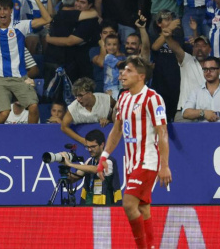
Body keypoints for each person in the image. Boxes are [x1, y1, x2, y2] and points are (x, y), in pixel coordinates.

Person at [103, 56, 171, 248]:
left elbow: (163, 132)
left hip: (148, 160)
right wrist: (104, 156)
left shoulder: (153, 99)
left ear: (141, 76)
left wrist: (164, 165)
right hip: (130, 162)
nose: (122, 74)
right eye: (122, 70)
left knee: (128, 204)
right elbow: (116, 130)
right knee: (143, 208)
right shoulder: (123, 98)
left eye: (128, 70)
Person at [58, 129, 122, 206]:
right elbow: (73, 178)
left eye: (93, 147)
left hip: (105, 207)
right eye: (88, 147)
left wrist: (70, 164)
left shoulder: (109, 161)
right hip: (88, 206)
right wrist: (65, 167)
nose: (89, 149)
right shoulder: (89, 161)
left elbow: (96, 169)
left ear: (102, 144)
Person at [181, 56, 220, 122]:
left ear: (219, 71)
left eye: (212, 69)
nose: (208, 72)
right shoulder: (196, 91)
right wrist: (203, 113)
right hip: (203, 131)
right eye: (205, 69)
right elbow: (185, 113)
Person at [60, 77, 116, 145]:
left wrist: (109, 121)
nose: (78, 99)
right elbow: (64, 127)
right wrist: (82, 140)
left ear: (89, 94)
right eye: (76, 96)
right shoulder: (73, 107)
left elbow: (118, 112)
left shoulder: (106, 99)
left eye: (80, 95)